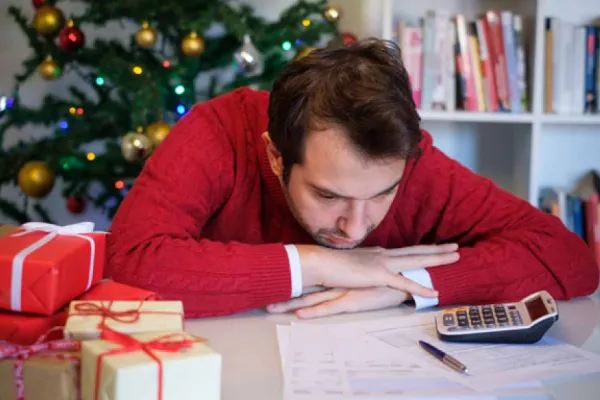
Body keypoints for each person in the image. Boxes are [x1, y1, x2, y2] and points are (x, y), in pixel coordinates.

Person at [104, 38, 600, 319]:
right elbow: (130, 261)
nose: (355, 229)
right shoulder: (219, 131)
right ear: (276, 156)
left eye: (383, 193)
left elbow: (569, 258)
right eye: (328, 195)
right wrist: (319, 264)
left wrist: (404, 285)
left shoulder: (414, 161)